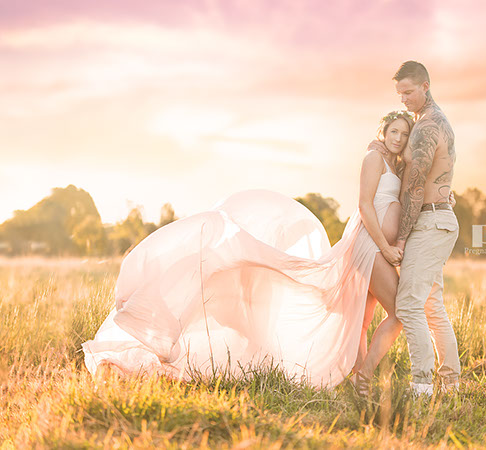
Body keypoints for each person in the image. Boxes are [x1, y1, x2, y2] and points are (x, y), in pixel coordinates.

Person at [82, 109, 454, 390]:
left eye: (404, 134)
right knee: (400, 312)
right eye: (394, 131)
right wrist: (386, 247)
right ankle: (365, 376)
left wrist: (438, 197)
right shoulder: (374, 158)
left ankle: (360, 375)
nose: (398, 138)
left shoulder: (398, 162)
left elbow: (415, 190)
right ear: (383, 132)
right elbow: (364, 205)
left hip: (377, 247)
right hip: (369, 247)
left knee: (362, 316)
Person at [375, 60, 461, 397]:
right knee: (430, 305)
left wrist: (401, 236)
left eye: (408, 92)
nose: (404, 99)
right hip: (437, 218)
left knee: (408, 305)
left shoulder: (427, 127)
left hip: (429, 221)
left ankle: (422, 384)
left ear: (425, 86)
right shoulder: (431, 121)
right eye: (399, 94)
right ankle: (451, 384)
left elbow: (414, 185)